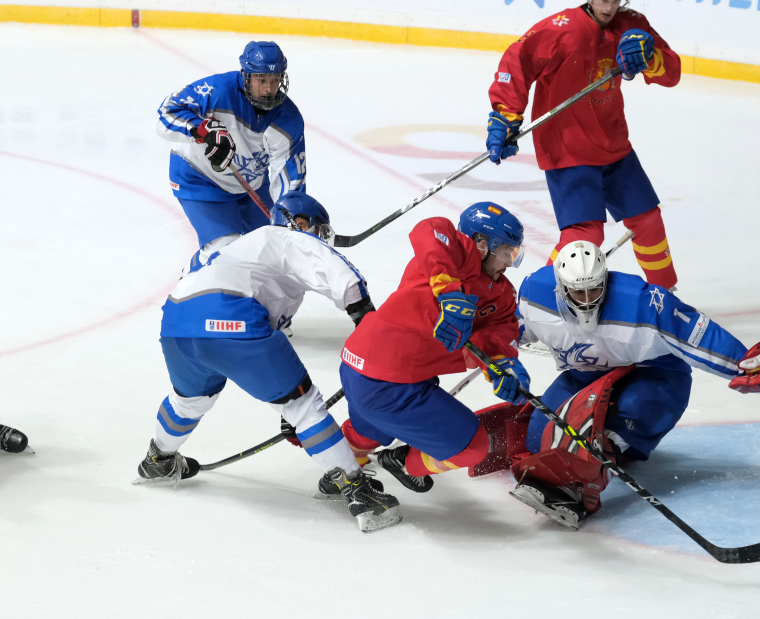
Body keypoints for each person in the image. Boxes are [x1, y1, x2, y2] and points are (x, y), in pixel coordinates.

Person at [132, 192, 401, 534]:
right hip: (230, 316)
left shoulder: (232, 250)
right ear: (302, 223)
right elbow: (342, 276)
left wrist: (282, 398)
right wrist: (371, 327)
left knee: (189, 400)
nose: (321, 240)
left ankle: (158, 459)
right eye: (320, 232)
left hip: (176, 323)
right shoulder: (286, 235)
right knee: (304, 406)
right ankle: (359, 493)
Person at [507, 241, 760, 529]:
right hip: (584, 376)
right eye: (579, 292)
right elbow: (508, 332)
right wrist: (499, 358)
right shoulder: (535, 293)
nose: (588, 300)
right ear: (562, 287)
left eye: (595, 289)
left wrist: (753, 368)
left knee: (625, 420)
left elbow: (700, 336)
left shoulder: (642, 302)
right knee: (539, 439)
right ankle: (591, 453)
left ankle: (602, 464)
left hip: (652, 375)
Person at [486, 0, 682, 290]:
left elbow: (672, 73)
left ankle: (666, 293)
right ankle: (539, 298)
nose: (609, 6)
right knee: (584, 235)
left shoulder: (632, 25)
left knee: (648, 221)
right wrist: (506, 115)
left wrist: (651, 57)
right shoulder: (560, 29)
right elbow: (515, 62)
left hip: (613, 143)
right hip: (567, 147)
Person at [337, 202, 530, 493]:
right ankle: (404, 463)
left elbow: (499, 333)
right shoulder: (458, 257)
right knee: (474, 447)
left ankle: (338, 469)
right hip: (390, 383)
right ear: (481, 244)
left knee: (369, 431)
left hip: (366, 369)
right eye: (506, 252)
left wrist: (504, 366)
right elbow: (430, 228)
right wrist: (448, 290)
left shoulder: (501, 294)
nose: (509, 262)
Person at [156, 40, 307, 263]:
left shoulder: (288, 119)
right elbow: (166, 113)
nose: (268, 89)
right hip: (200, 179)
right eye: (261, 80)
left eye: (275, 80)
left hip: (251, 183)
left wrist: (296, 215)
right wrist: (201, 130)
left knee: (276, 251)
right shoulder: (216, 92)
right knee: (225, 255)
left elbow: (289, 177)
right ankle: (192, 285)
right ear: (245, 75)